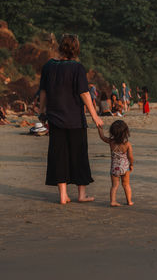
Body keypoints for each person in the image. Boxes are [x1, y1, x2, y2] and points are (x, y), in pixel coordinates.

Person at [39, 33, 103, 205]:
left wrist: (41, 112)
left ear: (60, 47)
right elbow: (84, 93)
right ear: (75, 49)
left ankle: (63, 195)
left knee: (59, 154)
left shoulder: (48, 66)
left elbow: (43, 92)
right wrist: (95, 116)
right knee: (79, 154)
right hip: (75, 119)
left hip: (55, 117)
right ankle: (81, 195)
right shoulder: (77, 68)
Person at [97, 120, 134, 207]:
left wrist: (99, 129)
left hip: (114, 168)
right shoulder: (127, 144)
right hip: (125, 168)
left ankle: (113, 201)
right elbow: (130, 157)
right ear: (125, 132)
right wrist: (131, 164)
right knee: (126, 184)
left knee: (114, 185)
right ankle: (129, 201)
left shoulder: (111, 142)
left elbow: (102, 137)